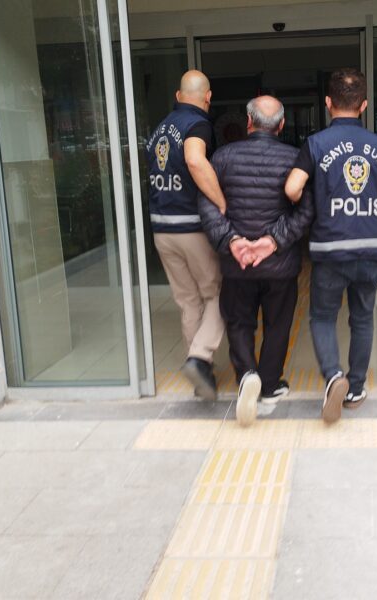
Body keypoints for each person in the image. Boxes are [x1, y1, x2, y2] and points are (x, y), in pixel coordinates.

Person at [284, 68, 377, 424]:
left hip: (330, 250)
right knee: (362, 318)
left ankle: (334, 375)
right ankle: (355, 388)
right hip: (371, 248)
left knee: (322, 317)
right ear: (363, 105)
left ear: (328, 102)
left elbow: (292, 188)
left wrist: (312, 199)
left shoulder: (316, 144)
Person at [198, 96, 314, 427]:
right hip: (280, 264)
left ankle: (247, 375)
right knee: (278, 324)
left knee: (239, 322)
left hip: (238, 264)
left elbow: (206, 204)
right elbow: (306, 211)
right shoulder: (295, 159)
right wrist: (274, 240)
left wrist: (232, 240)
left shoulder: (222, 157)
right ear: (281, 125)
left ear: (248, 122)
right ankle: (270, 384)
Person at [145, 70, 228, 401]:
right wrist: (221, 202)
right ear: (208, 97)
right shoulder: (197, 124)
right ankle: (200, 357)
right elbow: (195, 160)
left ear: (178, 96)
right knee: (218, 294)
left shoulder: (160, 129)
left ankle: (200, 376)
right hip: (190, 227)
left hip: (161, 229)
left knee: (188, 300)